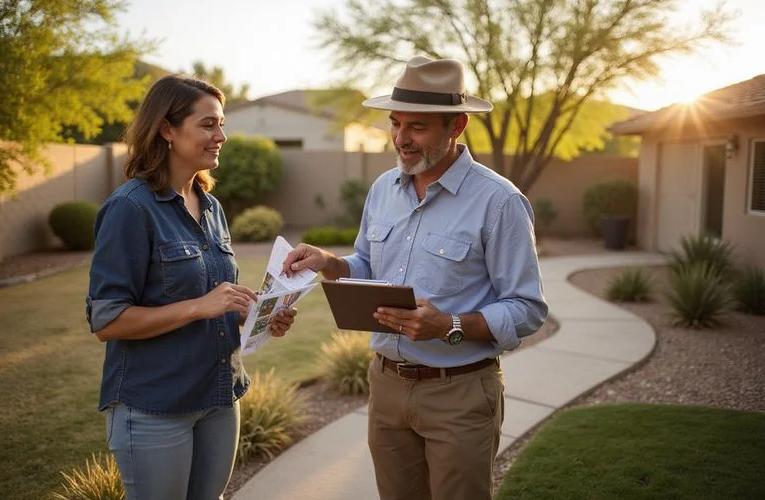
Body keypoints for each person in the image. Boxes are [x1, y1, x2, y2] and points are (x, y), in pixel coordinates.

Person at [282, 56, 548, 500]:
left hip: (460, 393)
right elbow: (368, 264)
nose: (401, 139)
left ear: (457, 126)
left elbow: (527, 308)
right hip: (385, 385)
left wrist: (450, 325)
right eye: (395, 123)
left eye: (417, 127)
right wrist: (330, 262)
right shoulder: (384, 188)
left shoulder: (499, 201)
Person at [86, 75, 297, 500]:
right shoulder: (130, 209)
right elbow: (106, 319)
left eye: (221, 124)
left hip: (220, 396)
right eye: (207, 124)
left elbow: (216, 299)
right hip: (155, 406)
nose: (221, 136)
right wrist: (199, 306)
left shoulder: (211, 205)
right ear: (166, 129)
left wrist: (253, 313)